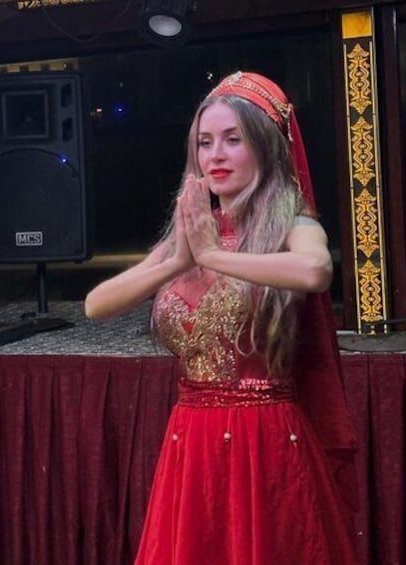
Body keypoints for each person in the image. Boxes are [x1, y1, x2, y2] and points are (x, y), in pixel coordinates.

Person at [85, 72, 358, 564]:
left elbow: (316, 271)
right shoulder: (190, 236)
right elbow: (96, 305)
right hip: (191, 437)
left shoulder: (293, 224)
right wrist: (177, 261)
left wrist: (213, 256)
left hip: (264, 436)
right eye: (205, 142)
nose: (216, 155)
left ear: (265, 148)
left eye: (233, 140)